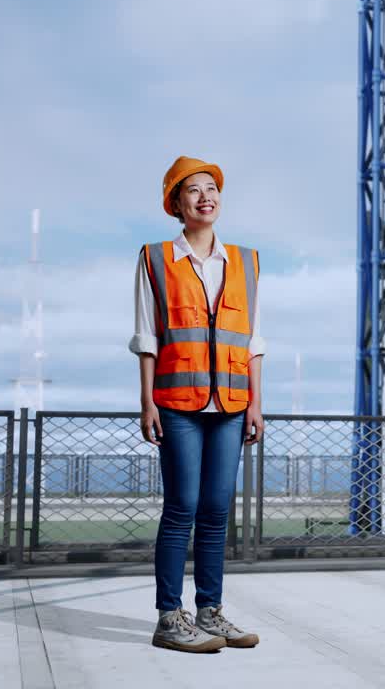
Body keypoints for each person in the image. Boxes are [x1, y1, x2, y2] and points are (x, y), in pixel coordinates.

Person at [130, 155, 264, 653]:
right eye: (194, 190)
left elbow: (252, 339)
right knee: (181, 508)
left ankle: (210, 612)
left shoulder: (245, 262)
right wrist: (147, 402)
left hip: (231, 402)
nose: (206, 197)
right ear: (176, 204)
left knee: (215, 511)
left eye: (213, 189)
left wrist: (256, 402)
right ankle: (170, 616)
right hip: (177, 402)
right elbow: (147, 336)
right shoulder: (155, 258)